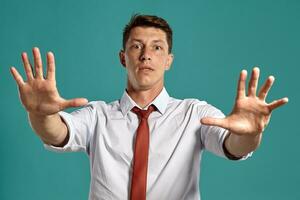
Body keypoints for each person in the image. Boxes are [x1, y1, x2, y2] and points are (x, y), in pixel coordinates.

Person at [10, 14, 288, 200]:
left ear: (168, 60)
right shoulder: (98, 116)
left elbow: (234, 145)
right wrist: (39, 113)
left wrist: (251, 133)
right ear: (123, 57)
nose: (146, 55)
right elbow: (57, 132)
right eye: (136, 47)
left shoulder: (195, 114)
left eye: (157, 48)